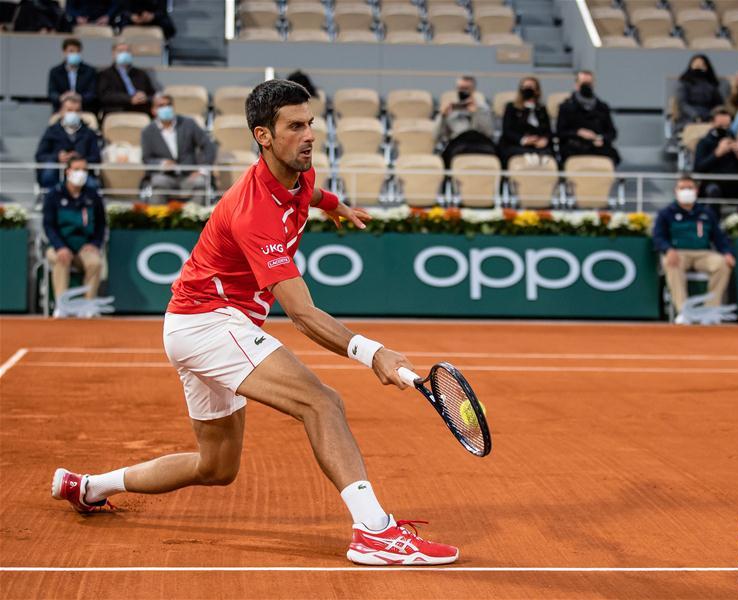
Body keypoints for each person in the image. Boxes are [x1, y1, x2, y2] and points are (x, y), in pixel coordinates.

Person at [51, 79, 460, 567]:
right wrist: (373, 353)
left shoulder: (298, 171)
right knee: (323, 403)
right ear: (263, 136)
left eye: (310, 123)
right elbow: (303, 314)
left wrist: (336, 206)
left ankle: (88, 487)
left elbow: (308, 194)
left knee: (215, 467)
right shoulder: (253, 211)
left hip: (194, 323)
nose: (309, 135)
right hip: (209, 322)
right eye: (295, 127)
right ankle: (374, 532)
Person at [653, 174, 735, 324]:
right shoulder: (666, 213)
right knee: (671, 263)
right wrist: (668, 249)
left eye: (689, 188)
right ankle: (684, 311)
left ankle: (710, 311)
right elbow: (658, 237)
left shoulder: (706, 213)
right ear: (676, 191)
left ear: (696, 191)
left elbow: (719, 237)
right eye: (682, 188)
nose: (686, 191)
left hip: (703, 253)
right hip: (678, 253)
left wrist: (727, 252)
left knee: (722, 264)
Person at [42, 154, 106, 314]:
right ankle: (61, 306)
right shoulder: (54, 194)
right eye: (77, 169)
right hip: (59, 245)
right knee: (61, 259)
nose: (81, 173)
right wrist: (60, 247)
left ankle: (87, 307)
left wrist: (94, 244)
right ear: (68, 171)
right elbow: (49, 225)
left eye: (84, 170)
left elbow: (101, 225)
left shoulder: (93, 195)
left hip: (84, 246)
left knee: (95, 263)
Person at [141, 93, 216, 201]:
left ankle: (195, 212)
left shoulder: (188, 124)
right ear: (153, 110)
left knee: (200, 182)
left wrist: (202, 169)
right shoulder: (148, 132)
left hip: (189, 176)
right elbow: (147, 159)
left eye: (168, 105)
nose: (166, 108)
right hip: (164, 176)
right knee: (158, 184)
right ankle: (158, 212)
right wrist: (162, 163)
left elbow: (208, 146)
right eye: (161, 106)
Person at [35, 92, 102, 189]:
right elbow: (40, 155)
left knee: (93, 185)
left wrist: (80, 158)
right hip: (57, 173)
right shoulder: (52, 131)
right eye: (69, 110)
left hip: (82, 173)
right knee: (48, 174)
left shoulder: (89, 133)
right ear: (61, 111)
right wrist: (58, 157)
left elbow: (96, 157)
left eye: (77, 111)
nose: (73, 114)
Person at [694, 107, 738, 207]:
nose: (724, 129)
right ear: (712, 123)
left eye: (727, 126)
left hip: (737, 184)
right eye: (720, 126)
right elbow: (698, 168)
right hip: (714, 184)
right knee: (713, 190)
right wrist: (717, 153)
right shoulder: (704, 143)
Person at [556, 70, 620, 165]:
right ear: (576, 85)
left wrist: (600, 138)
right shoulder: (566, 107)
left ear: (593, 84)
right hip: (574, 147)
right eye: (583, 83)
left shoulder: (602, 107)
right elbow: (560, 132)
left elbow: (612, 133)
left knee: (612, 155)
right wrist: (578, 132)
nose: (586, 86)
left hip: (598, 147)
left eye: (589, 83)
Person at [437, 75, 496, 167]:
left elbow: (489, 132)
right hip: (458, 144)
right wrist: (442, 116)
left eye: (467, 88)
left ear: (473, 90)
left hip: (481, 144)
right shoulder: (451, 109)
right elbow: (438, 136)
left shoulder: (483, 108)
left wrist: (476, 113)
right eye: (461, 88)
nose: (463, 91)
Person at [498, 76, 553, 166]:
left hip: (538, 146)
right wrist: (524, 140)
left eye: (530, 87)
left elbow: (548, 131)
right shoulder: (511, 107)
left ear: (537, 90)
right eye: (525, 87)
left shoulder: (541, 109)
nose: (527, 90)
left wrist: (545, 140)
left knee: (547, 154)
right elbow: (507, 131)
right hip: (517, 145)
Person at [96, 41, 156, 116]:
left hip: (140, 111)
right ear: (113, 54)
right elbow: (104, 96)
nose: (124, 54)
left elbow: (152, 94)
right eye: (120, 51)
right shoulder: (105, 74)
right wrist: (129, 98)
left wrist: (145, 97)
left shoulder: (141, 74)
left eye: (127, 51)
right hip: (116, 112)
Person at [48, 37, 98, 113]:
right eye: (71, 51)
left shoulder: (89, 71)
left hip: (84, 109)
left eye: (77, 51)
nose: (75, 54)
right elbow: (52, 93)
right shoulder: (55, 71)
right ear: (64, 52)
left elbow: (92, 93)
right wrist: (63, 97)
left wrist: (79, 97)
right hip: (61, 109)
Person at [674, 54, 723, 131]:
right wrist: (695, 116)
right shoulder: (684, 82)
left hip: (708, 116)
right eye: (696, 65)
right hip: (688, 117)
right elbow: (683, 104)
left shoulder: (711, 84)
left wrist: (713, 115)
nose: (699, 68)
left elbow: (718, 104)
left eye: (702, 65)